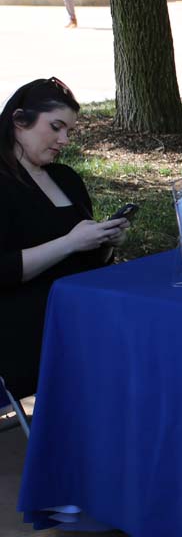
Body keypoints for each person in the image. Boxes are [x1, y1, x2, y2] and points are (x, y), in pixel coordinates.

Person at [1, 77, 129, 399]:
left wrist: (103, 243)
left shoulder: (65, 178)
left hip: (81, 305)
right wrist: (70, 242)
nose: (64, 139)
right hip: (24, 318)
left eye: (69, 131)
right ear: (19, 121)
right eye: (56, 127)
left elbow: (85, 260)